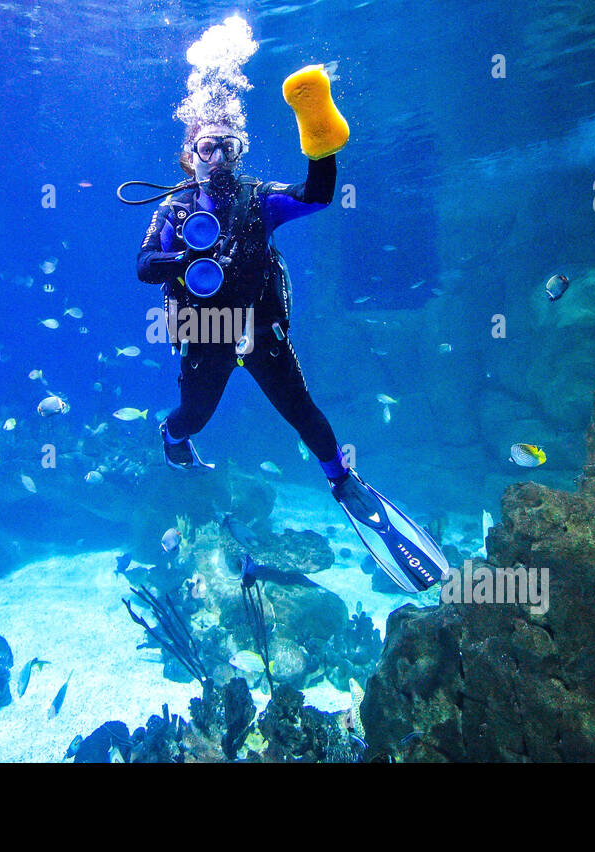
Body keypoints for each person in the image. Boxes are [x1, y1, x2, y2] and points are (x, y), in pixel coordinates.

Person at [131, 68, 448, 593]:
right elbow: (144, 266)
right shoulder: (173, 207)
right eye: (206, 148)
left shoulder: (260, 200)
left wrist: (320, 141)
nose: (216, 159)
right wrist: (187, 254)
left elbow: (318, 194)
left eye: (227, 148)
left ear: (239, 152)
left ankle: (342, 482)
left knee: (302, 410)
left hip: (260, 330)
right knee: (195, 416)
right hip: (203, 330)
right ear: (190, 154)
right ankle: (172, 436)